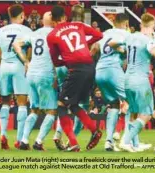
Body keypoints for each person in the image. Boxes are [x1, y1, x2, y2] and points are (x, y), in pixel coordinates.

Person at [109, 13, 155, 152]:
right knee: (146, 114)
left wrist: (123, 51)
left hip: (126, 80)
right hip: (140, 80)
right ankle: (125, 141)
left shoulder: (130, 36)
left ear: (140, 25)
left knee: (133, 112)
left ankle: (132, 144)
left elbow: (111, 43)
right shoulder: (147, 39)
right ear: (153, 26)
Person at [47, 5, 103, 152]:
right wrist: (85, 45)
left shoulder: (52, 35)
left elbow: (55, 60)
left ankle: (74, 143)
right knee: (72, 104)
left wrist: (66, 59)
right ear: (65, 17)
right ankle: (93, 130)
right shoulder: (77, 25)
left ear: (53, 20)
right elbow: (99, 35)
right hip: (90, 68)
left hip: (76, 69)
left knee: (61, 105)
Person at [13, 12, 57, 151]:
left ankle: (24, 140)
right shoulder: (55, 33)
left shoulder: (34, 33)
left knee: (34, 110)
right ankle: (38, 141)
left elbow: (16, 44)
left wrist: (26, 61)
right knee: (51, 111)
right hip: (45, 74)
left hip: (31, 74)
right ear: (55, 21)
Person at [92, 13, 130, 151]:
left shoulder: (105, 33)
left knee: (114, 104)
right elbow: (127, 55)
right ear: (126, 23)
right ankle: (129, 141)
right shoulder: (125, 34)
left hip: (99, 70)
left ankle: (109, 142)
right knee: (132, 103)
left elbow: (95, 48)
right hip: (113, 69)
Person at [0, 4, 32, 149]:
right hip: (19, 66)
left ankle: (3, 134)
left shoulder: (0, 31)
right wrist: (27, 61)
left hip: (4, 66)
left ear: (10, 15)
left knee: (5, 102)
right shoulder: (27, 30)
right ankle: (19, 140)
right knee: (22, 103)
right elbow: (30, 49)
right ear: (22, 15)